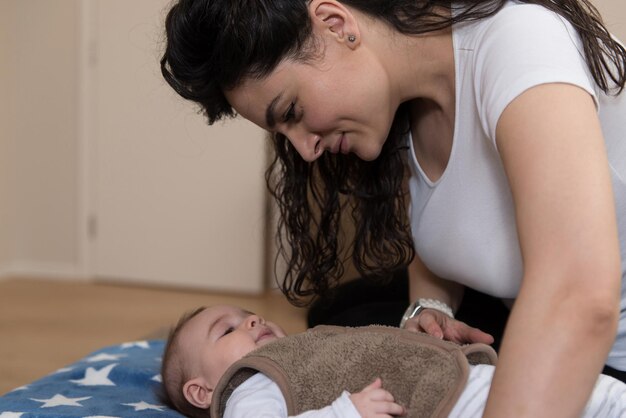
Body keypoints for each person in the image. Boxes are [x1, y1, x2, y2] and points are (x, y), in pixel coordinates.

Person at [159, 0, 626, 415]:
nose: (304, 151)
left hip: (605, 347)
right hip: (525, 302)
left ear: (335, 22)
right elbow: (449, 225)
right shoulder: (406, 105)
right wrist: (430, 306)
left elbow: (578, 295)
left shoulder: (520, 41)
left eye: (293, 114)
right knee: (340, 317)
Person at [160, 304, 626, 418]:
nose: (252, 318)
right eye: (228, 329)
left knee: (594, 396)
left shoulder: (299, 349)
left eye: (247, 314)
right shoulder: (248, 385)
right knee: (595, 400)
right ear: (202, 391)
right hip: (449, 399)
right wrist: (348, 411)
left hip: (457, 378)